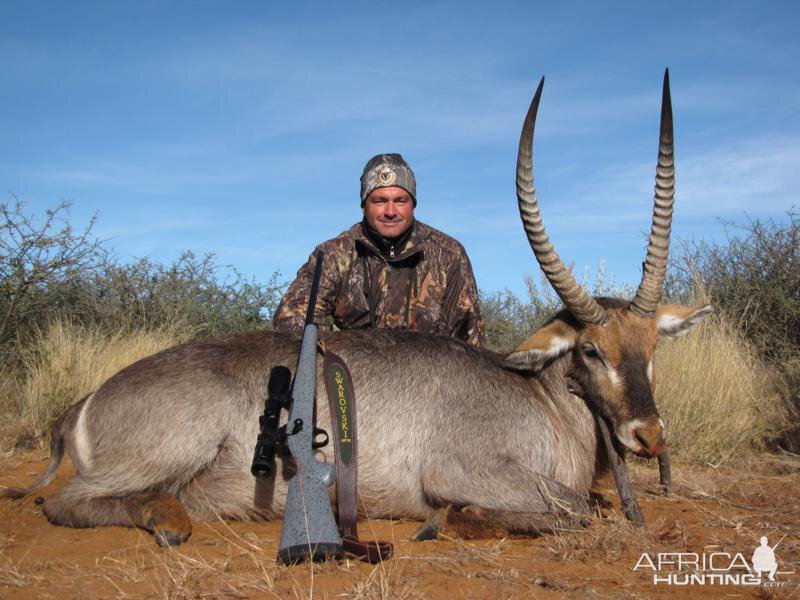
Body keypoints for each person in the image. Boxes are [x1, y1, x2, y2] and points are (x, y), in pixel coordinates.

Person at [272, 153, 484, 346]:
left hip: (433, 381)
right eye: (379, 201)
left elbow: (470, 336)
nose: (390, 211)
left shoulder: (449, 255)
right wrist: (344, 359)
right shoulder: (333, 255)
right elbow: (291, 319)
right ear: (364, 205)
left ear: (413, 204)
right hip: (355, 380)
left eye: (400, 200)